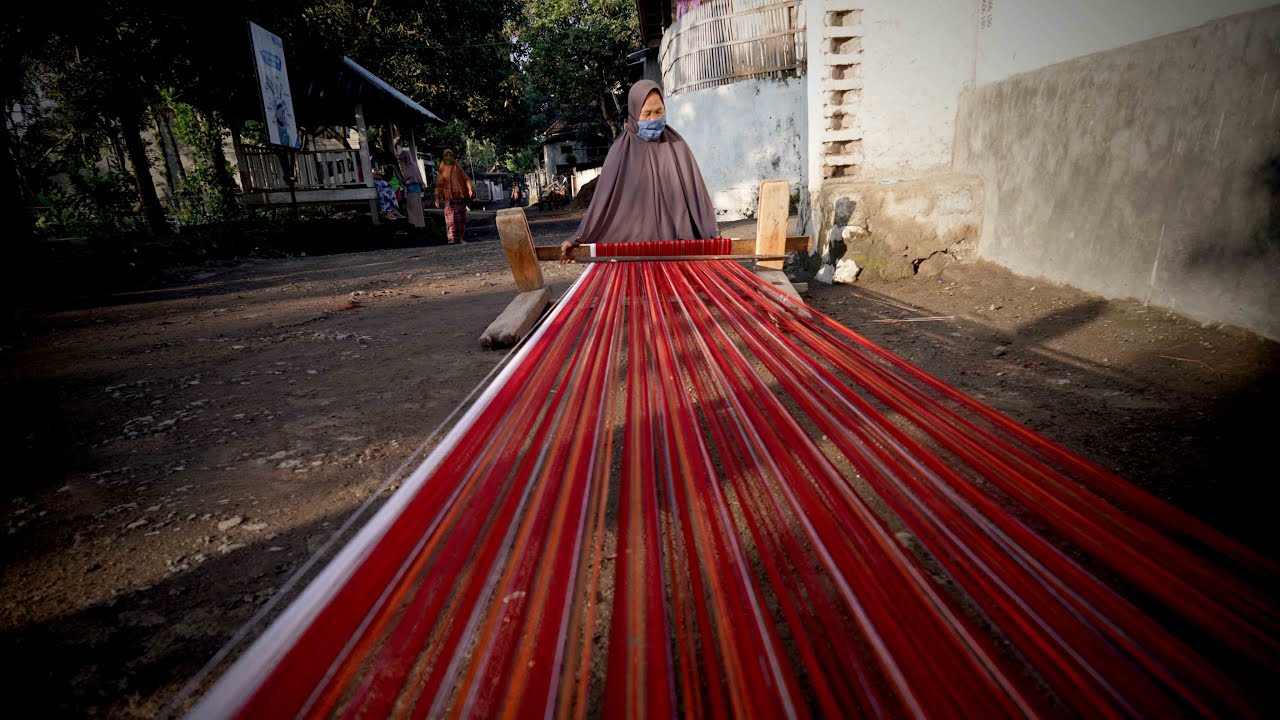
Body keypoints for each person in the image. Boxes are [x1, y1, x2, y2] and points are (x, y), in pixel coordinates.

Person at [560, 79, 718, 261]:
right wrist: (578, 238)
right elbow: (602, 203)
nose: (654, 119)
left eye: (659, 112)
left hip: (675, 251)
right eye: (647, 114)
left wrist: (710, 233)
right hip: (633, 255)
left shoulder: (677, 146)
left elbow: (696, 195)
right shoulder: (620, 152)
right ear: (634, 115)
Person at [434, 148, 474, 244]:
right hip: (448, 197)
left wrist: (470, 189)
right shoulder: (442, 168)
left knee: (460, 219)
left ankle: (461, 238)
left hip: (459, 196)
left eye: (450, 155)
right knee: (450, 218)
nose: (448, 157)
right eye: (446, 155)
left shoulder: (457, 166)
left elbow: (466, 178)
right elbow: (439, 183)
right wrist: (437, 198)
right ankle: (452, 238)